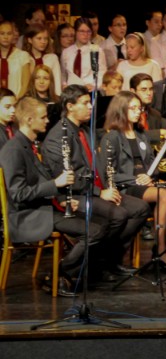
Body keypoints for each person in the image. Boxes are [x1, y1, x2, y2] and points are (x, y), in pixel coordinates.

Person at [0, 97, 108, 297]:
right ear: (29, 120)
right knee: (93, 231)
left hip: (42, 208)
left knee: (100, 223)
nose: (47, 121)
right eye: (43, 117)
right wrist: (56, 184)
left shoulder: (29, 145)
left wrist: (61, 200)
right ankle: (58, 274)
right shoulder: (13, 149)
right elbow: (18, 193)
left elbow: (38, 183)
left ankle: (70, 273)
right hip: (28, 215)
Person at [40, 85, 150, 280]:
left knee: (140, 208)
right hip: (74, 195)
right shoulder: (58, 137)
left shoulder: (84, 130)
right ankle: (85, 266)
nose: (90, 107)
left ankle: (106, 261)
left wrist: (108, 187)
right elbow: (68, 178)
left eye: (90, 103)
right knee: (118, 214)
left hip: (96, 189)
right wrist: (100, 193)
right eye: (85, 103)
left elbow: (96, 165)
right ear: (70, 106)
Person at [99, 91, 166, 260]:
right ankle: (161, 250)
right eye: (132, 108)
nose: (137, 112)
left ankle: (161, 242)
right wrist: (136, 179)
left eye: (139, 108)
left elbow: (153, 165)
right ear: (121, 110)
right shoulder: (111, 137)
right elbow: (108, 174)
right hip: (128, 186)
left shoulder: (141, 134)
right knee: (163, 194)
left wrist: (150, 176)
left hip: (147, 183)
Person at [60, 17, 106, 91]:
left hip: (89, 91)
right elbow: (63, 74)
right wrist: (64, 85)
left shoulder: (97, 50)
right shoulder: (66, 52)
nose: (85, 34)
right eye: (82, 31)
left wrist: (94, 86)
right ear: (75, 31)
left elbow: (102, 73)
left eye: (88, 31)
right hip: (71, 92)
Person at [23, 24, 62, 92]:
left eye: (45, 38)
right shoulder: (24, 58)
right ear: (30, 40)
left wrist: (57, 97)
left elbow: (57, 81)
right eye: (39, 38)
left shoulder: (52, 58)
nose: (43, 42)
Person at [0, 20, 32, 99]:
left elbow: (25, 85)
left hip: (17, 100)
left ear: (13, 35)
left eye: (9, 33)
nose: (6, 37)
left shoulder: (22, 56)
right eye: (2, 33)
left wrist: (15, 101)